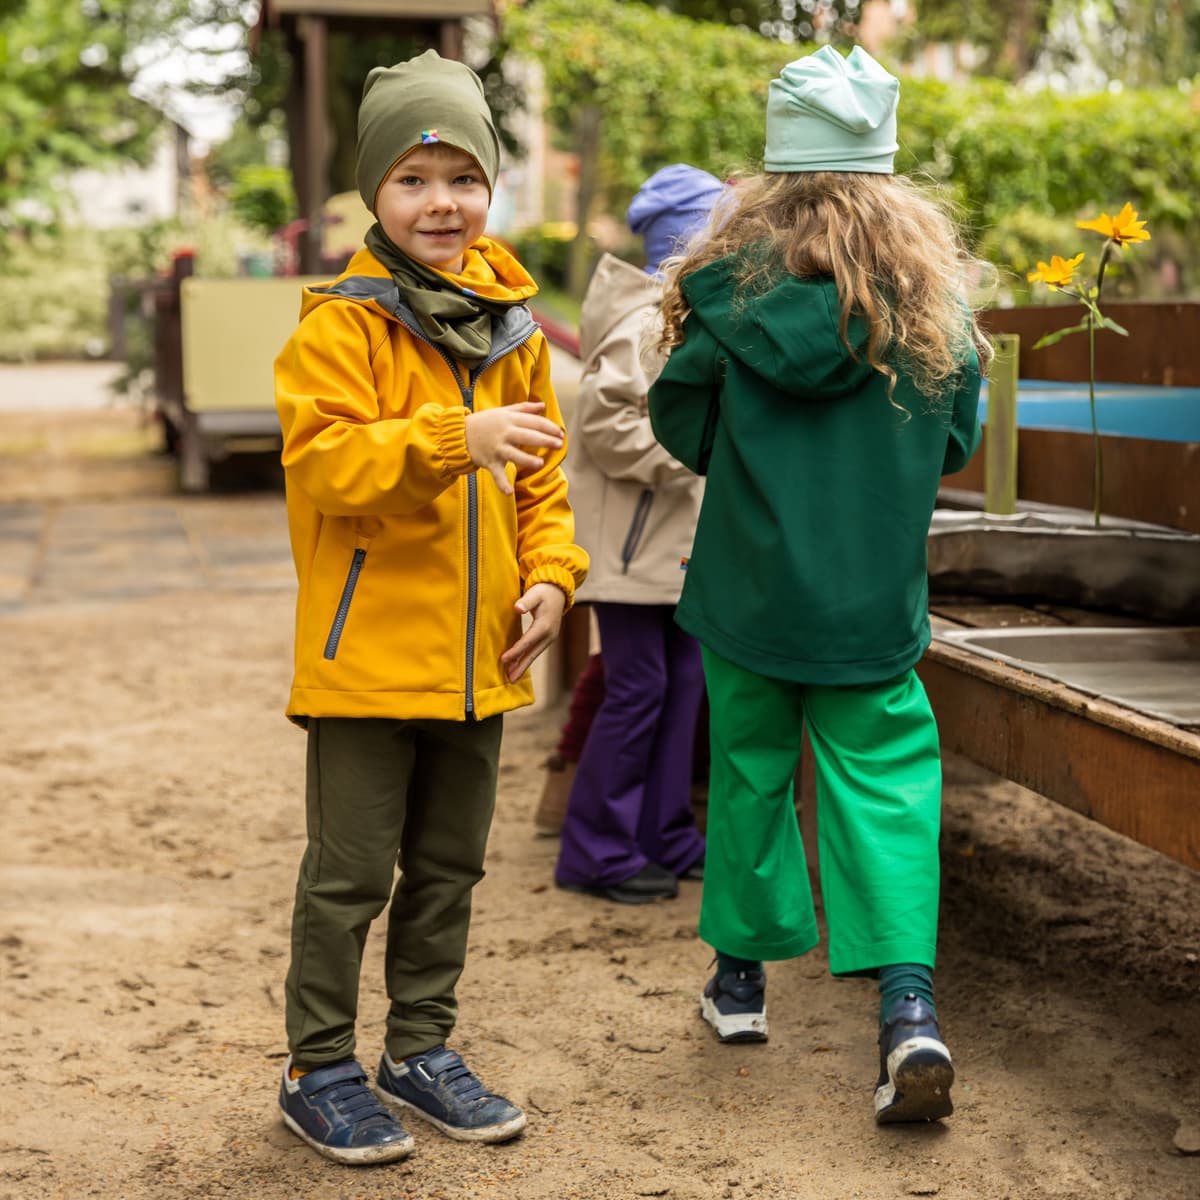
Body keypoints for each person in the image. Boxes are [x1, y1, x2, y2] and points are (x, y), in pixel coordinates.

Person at [647, 46, 988, 1123]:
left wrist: (761, 466)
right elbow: (955, 445)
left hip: (747, 591)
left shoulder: (725, 299)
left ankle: (740, 987)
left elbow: (681, 425)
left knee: (749, 774)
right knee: (884, 783)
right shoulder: (934, 313)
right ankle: (908, 1010)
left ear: (775, 178)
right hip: (871, 603)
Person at [272, 50, 588, 1165]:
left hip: (480, 661)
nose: (440, 202)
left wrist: (551, 573)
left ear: (490, 187)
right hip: (367, 660)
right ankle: (318, 1067)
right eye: (412, 179)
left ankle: (418, 1048)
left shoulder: (513, 327)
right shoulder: (341, 324)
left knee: (450, 867)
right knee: (350, 873)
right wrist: (460, 436)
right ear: (375, 192)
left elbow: (544, 478)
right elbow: (326, 464)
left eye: (463, 177)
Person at [553, 165, 724, 903]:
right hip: (629, 549)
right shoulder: (646, 321)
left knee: (683, 682)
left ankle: (665, 833)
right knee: (640, 687)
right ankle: (595, 849)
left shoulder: (681, 314)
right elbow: (605, 424)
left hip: (668, 548)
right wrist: (693, 452)